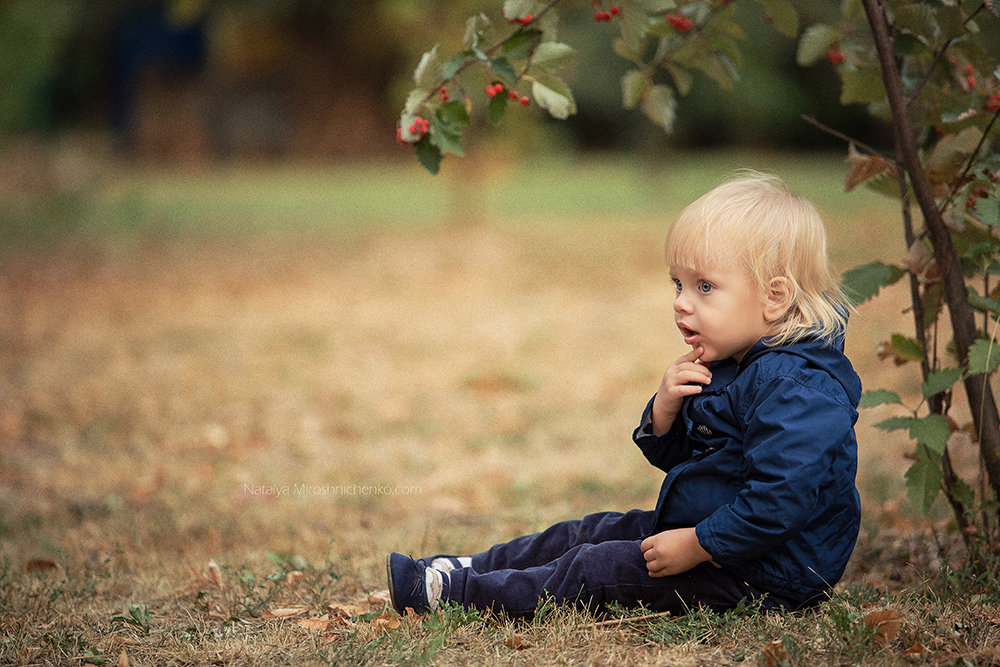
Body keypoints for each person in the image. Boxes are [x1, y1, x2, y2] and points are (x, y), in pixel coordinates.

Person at [386, 172, 862, 618]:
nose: (681, 301)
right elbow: (696, 461)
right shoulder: (732, 362)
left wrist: (699, 545)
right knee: (591, 532)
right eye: (678, 284)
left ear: (774, 297)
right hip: (710, 536)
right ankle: (465, 568)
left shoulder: (797, 388)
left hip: (764, 574)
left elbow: (779, 501)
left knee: (598, 571)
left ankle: (458, 596)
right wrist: (664, 410)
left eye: (705, 286)